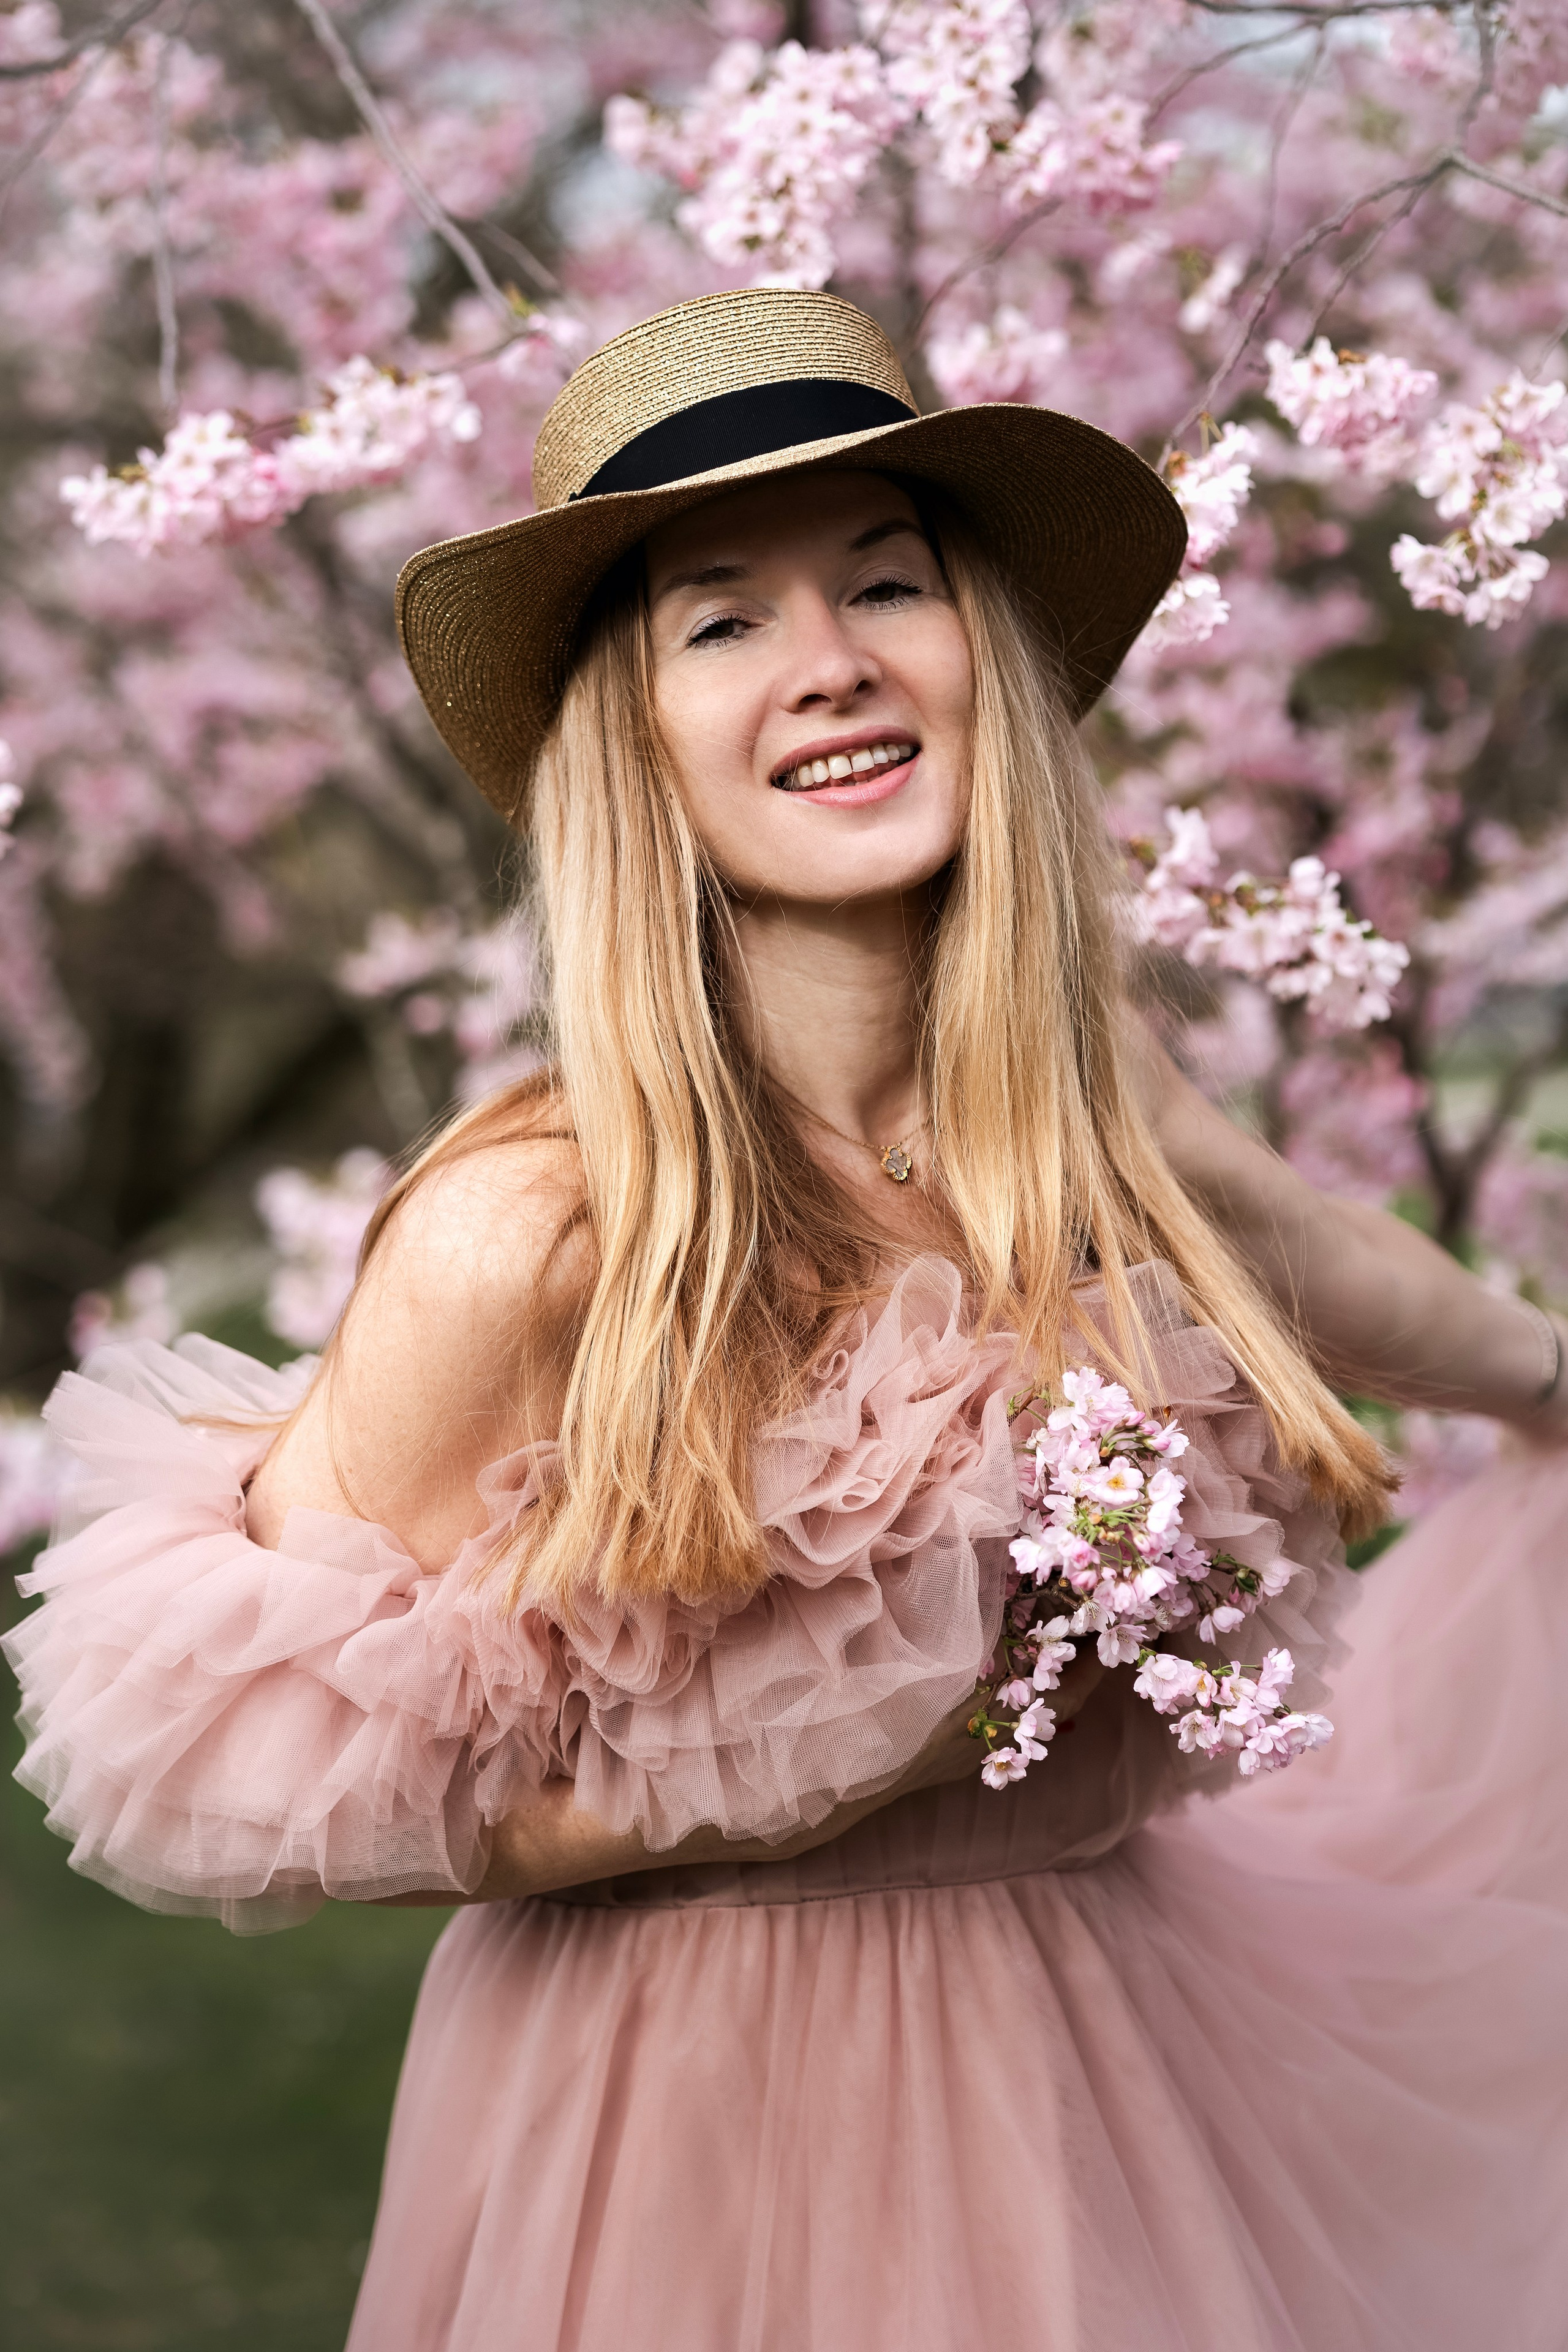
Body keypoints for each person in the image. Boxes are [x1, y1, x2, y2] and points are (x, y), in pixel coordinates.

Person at [10, 289, 1568, 2352]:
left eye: (888, 583)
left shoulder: (1079, 1101)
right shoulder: (534, 1234)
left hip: (1126, 2050)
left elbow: (1310, 1249)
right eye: (719, 619)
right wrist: (762, 1784)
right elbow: (240, 1774)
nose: (829, 661)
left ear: (979, 651)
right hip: (705, 2120)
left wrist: (1549, 1377)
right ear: (632, 741)